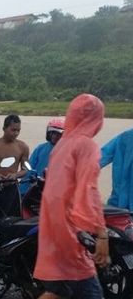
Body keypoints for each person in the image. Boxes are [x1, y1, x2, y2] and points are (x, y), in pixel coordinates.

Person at [34, 94, 109, 299]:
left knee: (58, 291)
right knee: (89, 293)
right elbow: (89, 189)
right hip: (70, 232)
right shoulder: (86, 145)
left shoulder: (61, 146)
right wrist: (101, 234)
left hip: (52, 230)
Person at [0, 114, 29, 217]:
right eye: (13, 130)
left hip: (12, 187)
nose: (16, 133)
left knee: (13, 218)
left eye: (18, 130)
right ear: (4, 128)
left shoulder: (23, 147)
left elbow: (25, 170)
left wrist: (15, 175)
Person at [19, 118, 64, 195]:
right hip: (37, 186)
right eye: (52, 133)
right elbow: (30, 168)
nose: (54, 136)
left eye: (58, 134)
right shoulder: (40, 148)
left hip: (55, 189)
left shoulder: (67, 151)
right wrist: (22, 190)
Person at [101, 128, 133, 211]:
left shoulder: (124, 137)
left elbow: (96, 160)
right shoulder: (124, 137)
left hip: (118, 204)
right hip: (118, 204)